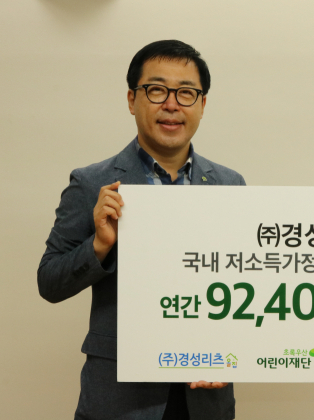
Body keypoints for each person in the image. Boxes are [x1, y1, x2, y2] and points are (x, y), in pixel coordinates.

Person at [38, 40, 244, 420]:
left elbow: (242, 285)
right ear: (132, 99)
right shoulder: (92, 183)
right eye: (157, 90)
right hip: (120, 399)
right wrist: (99, 246)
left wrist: (233, 354)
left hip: (205, 398)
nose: (172, 104)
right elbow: (49, 282)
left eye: (186, 93)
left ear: (202, 104)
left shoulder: (230, 185)